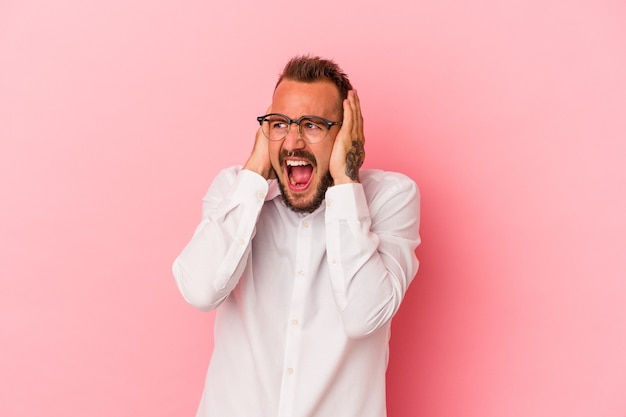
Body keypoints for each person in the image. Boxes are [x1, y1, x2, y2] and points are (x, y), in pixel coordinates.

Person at [173, 55, 421, 417]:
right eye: (279, 124)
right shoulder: (235, 190)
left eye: (312, 125)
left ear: (346, 133)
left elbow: (364, 316)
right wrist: (255, 173)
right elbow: (200, 291)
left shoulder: (391, 198)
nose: (292, 142)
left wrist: (346, 180)